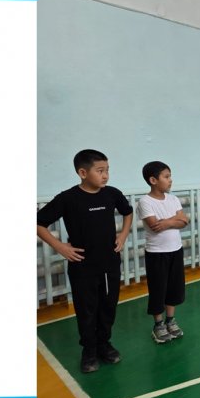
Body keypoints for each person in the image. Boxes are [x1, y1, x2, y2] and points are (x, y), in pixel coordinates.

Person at [37, 149, 133, 373]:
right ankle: (89, 351)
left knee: (108, 307)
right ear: (82, 173)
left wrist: (123, 235)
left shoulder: (112, 194)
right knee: (87, 310)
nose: (105, 175)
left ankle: (104, 344)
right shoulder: (68, 198)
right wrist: (60, 247)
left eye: (107, 170)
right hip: (83, 266)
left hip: (110, 264)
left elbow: (127, 212)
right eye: (100, 171)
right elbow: (38, 223)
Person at [138, 161, 189, 343]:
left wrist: (167, 222)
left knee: (174, 287)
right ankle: (158, 324)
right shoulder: (145, 202)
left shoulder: (173, 199)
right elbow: (155, 225)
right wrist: (176, 219)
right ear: (153, 180)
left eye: (170, 176)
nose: (170, 180)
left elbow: (185, 221)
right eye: (166, 177)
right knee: (158, 288)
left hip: (176, 250)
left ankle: (170, 320)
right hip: (157, 253)